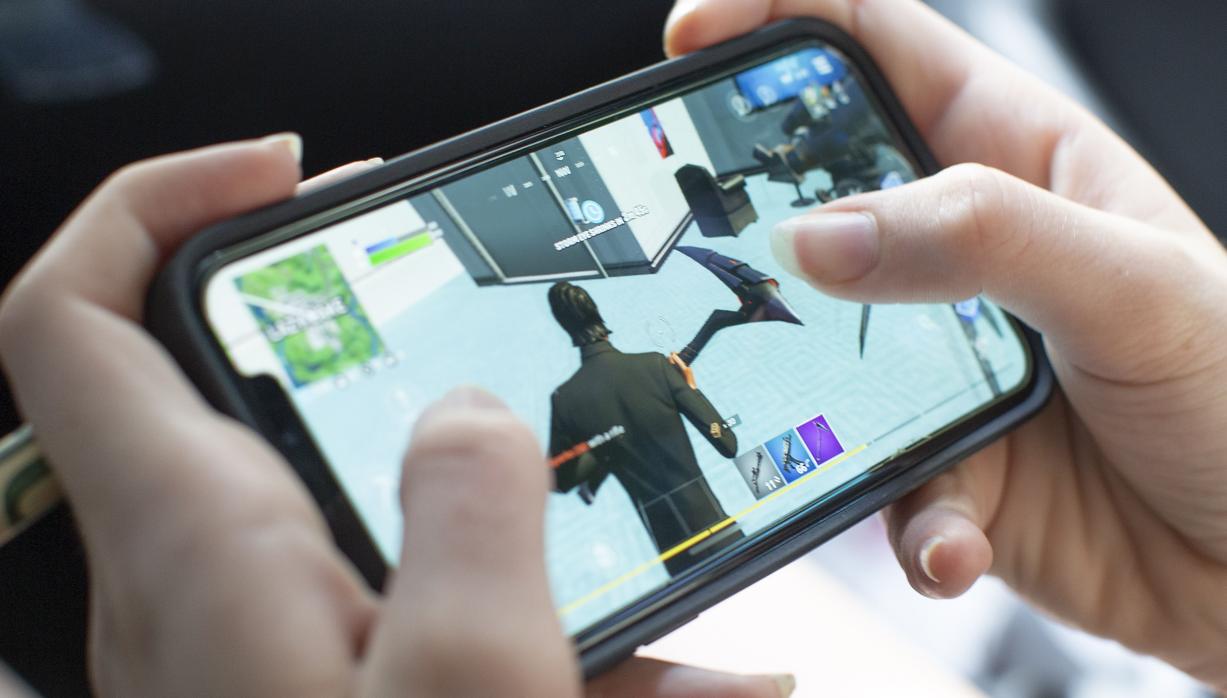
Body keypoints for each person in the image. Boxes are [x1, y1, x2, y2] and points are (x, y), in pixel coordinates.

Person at [0, 0, 1223, 694]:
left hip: (659, 546)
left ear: (569, 324)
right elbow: (721, 433)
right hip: (717, 525)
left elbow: (569, 479)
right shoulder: (652, 371)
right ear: (598, 313)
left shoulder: (578, 393)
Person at [546, 281, 742, 577]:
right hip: (719, 533)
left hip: (673, 554)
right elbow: (728, 443)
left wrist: (603, 447)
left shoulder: (565, 399)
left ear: (563, 324)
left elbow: (559, 480)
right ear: (596, 312)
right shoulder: (654, 366)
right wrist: (691, 389)